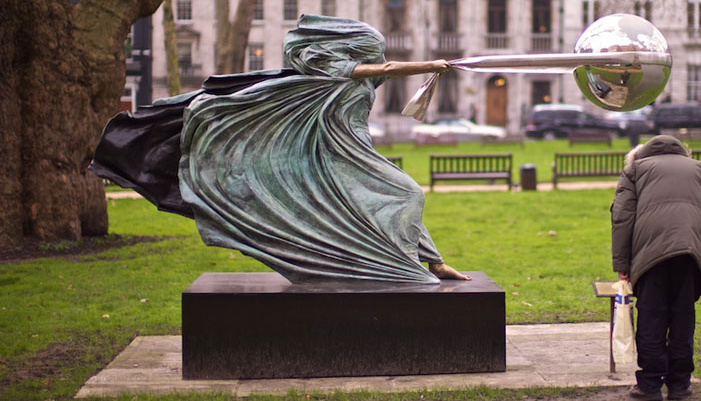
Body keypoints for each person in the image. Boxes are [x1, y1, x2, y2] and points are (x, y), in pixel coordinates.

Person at [92, 14, 469, 284]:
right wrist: (430, 65)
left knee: (399, 196)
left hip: (353, 154)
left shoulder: (356, 85)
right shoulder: (336, 71)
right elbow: (384, 69)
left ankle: (431, 264)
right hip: (333, 157)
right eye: (370, 52)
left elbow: (378, 74)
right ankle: (412, 266)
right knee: (407, 192)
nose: (374, 58)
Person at [610, 134, 701, 401]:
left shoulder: (635, 170)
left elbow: (622, 217)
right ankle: (679, 383)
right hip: (690, 254)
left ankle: (650, 384)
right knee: (683, 318)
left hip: (649, 256)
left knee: (651, 319)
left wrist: (622, 264)